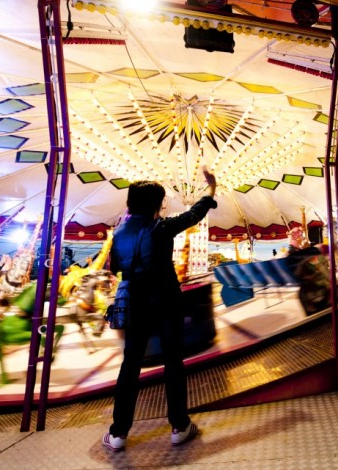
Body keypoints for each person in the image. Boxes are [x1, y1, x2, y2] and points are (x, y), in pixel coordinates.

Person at [102, 166, 218, 452]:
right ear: (159, 204)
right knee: (173, 361)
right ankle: (179, 426)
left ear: (130, 203)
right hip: (167, 301)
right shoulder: (161, 227)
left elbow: (115, 267)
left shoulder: (118, 234)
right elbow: (193, 215)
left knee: (130, 365)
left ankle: (118, 433)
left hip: (135, 304)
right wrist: (211, 190)